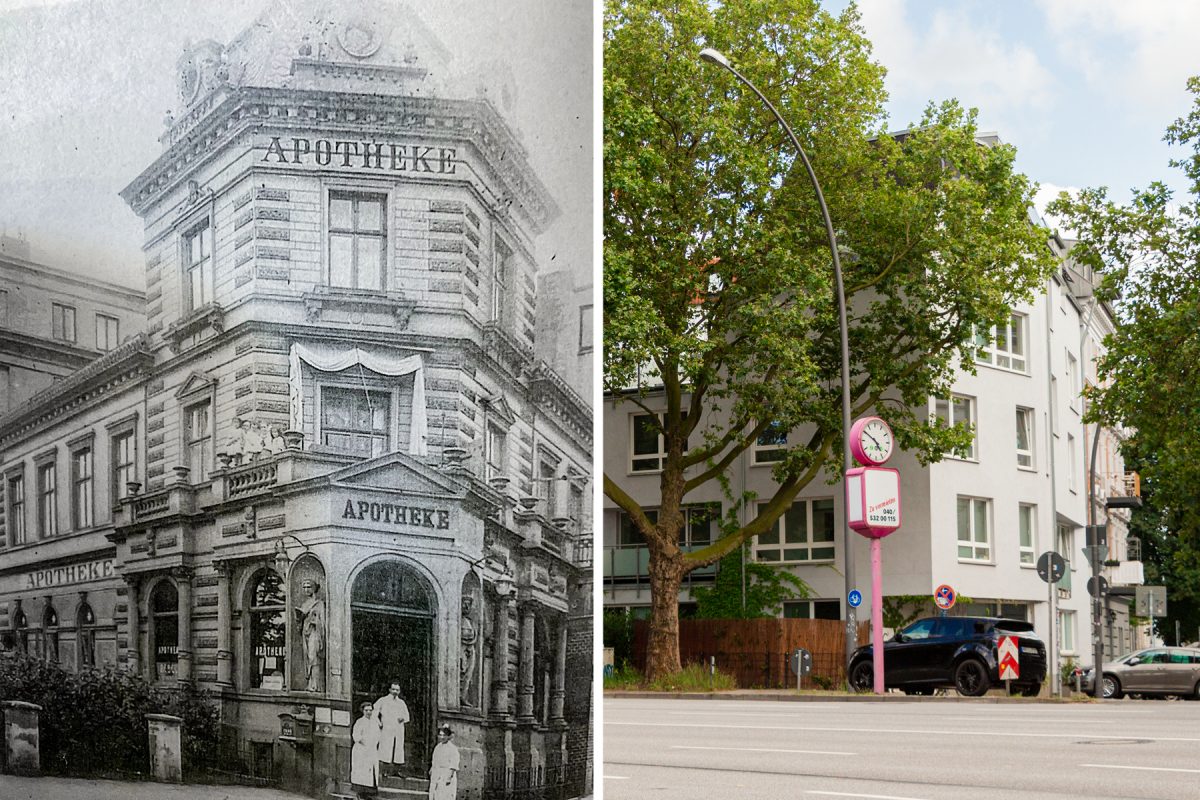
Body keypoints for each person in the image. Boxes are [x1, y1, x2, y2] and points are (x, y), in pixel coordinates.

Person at [373, 681, 410, 778]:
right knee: (386, 747)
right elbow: (374, 712)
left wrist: (403, 718)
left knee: (398, 748)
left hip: (398, 728)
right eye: (393, 689)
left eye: (397, 690)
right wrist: (379, 723)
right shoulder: (383, 700)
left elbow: (407, 716)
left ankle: (397, 771)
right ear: (389, 690)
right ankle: (385, 771)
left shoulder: (401, 703)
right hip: (387, 728)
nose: (395, 692)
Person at [296, 578, 326, 691]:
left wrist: (316, 622)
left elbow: (322, 621)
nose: (306, 589)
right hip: (306, 632)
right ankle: (309, 683)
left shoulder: (319, 604)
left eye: (308, 587)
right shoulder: (305, 604)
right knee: (307, 658)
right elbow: (300, 622)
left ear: (314, 588)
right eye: (304, 587)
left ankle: (315, 685)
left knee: (313, 657)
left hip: (315, 632)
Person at [350, 701, 379, 799]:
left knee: (370, 772)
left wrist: (373, 744)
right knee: (361, 772)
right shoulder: (360, 722)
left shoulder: (375, 722)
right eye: (366, 710)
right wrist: (364, 743)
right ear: (362, 711)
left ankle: (368, 794)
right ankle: (360, 794)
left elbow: (378, 735)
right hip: (361, 750)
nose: (369, 712)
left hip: (371, 750)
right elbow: (356, 735)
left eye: (370, 710)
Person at [428, 724, 459, 800]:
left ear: (448, 736)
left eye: (444, 735)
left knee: (444, 794)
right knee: (434, 793)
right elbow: (435, 759)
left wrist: (449, 777)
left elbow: (454, 764)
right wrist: (432, 768)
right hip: (437, 772)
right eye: (440, 735)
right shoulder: (438, 747)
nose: (442, 737)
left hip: (446, 773)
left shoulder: (452, 748)